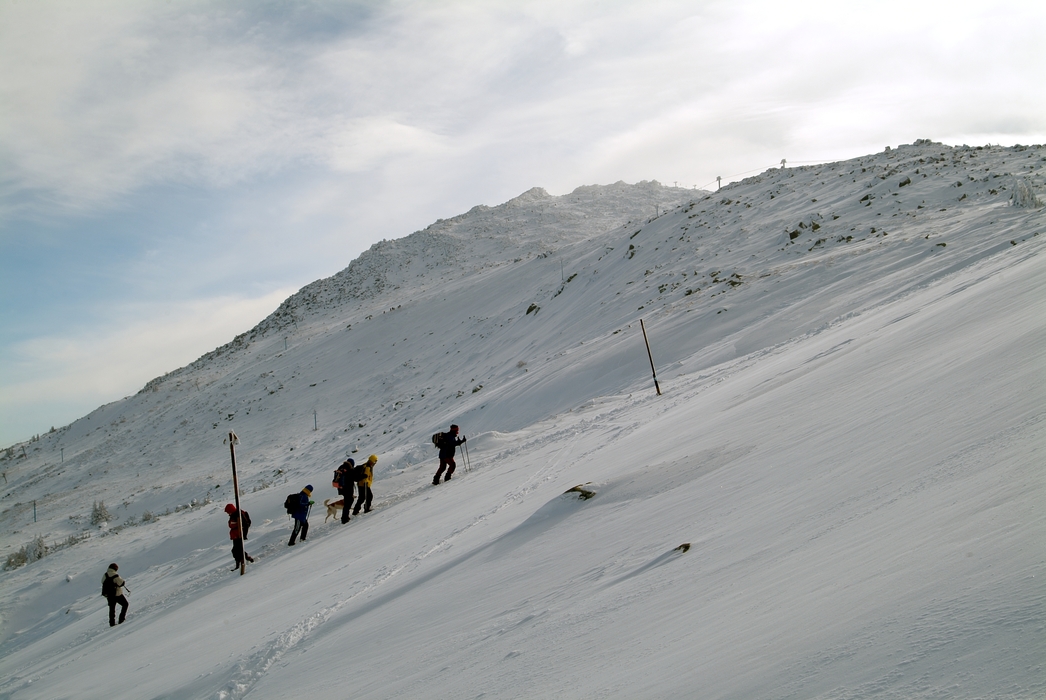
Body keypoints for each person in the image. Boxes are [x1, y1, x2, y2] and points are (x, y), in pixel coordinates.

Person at [225, 503, 254, 568]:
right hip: (236, 535)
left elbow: (245, 524)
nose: (228, 513)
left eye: (228, 512)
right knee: (237, 550)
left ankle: (241, 563)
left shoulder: (237, 515)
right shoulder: (235, 514)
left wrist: (244, 535)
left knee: (237, 550)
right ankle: (245, 560)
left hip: (238, 535)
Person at [101, 563, 129, 627]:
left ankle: (112, 623)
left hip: (109, 595)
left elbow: (102, 582)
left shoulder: (105, 575)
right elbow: (121, 583)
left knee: (112, 609)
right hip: (117, 594)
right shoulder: (115, 575)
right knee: (125, 604)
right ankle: (121, 619)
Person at [334, 459, 356, 524]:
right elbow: (354, 478)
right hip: (348, 489)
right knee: (348, 502)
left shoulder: (341, 468)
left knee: (347, 502)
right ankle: (344, 518)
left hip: (341, 489)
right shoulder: (349, 469)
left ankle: (345, 517)